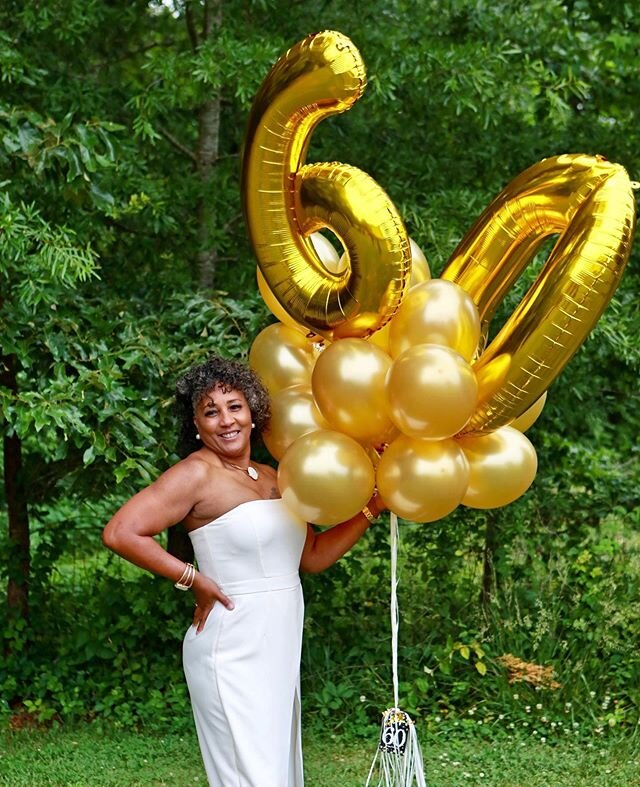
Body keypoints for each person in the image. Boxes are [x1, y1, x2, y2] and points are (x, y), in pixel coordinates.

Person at [102, 355, 385, 787]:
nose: (226, 420)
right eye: (210, 411)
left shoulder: (275, 476)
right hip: (230, 646)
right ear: (197, 423)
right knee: (251, 776)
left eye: (234, 406)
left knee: (277, 772)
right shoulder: (194, 475)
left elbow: (311, 556)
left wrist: (373, 507)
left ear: (253, 412)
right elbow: (121, 532)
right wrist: (192, 579)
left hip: (278, 644)